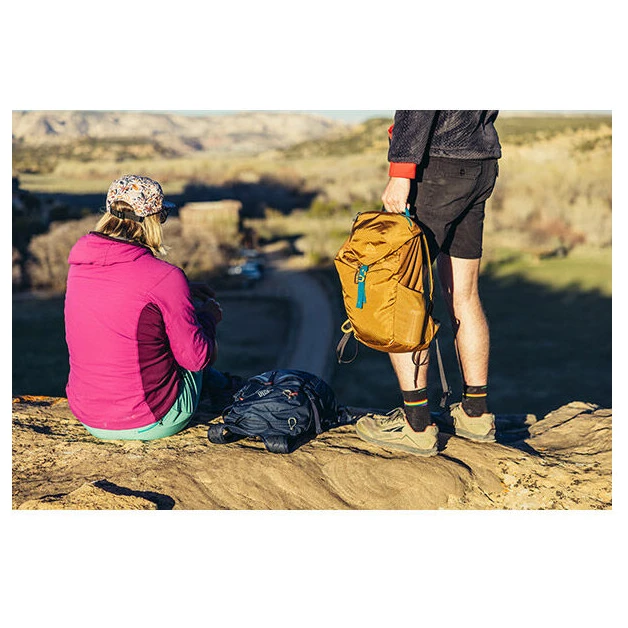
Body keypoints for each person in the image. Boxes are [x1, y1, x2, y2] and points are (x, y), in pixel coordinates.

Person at [355, 111, 502, 456]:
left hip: (435, 167)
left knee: (400, 294)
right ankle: (475, 415)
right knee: (464, 293)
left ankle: (417, 426)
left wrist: (400, 172)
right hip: (480, 162)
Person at [64, 174, 239, 441]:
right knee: (187, 343)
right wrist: (208, 317)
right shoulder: (166, 277)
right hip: (150, 419)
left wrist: (183, 289)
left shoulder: (79, 267)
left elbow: (122, 292)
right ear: (153, 220)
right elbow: (196, 359)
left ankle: (223, 384)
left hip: (89, 416)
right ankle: (229, 389)